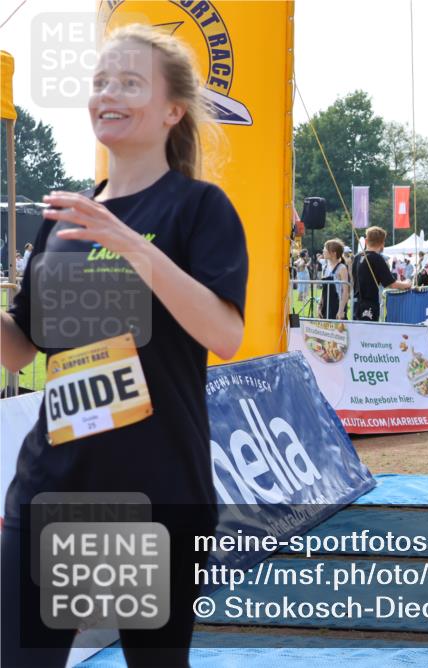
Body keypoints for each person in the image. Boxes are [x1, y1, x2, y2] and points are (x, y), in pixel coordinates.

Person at [1, 24, 248, 667]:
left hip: (154, 497)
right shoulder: (64, 217)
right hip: (50, 490)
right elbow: (20, 351)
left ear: (173, 110)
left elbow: (224, 334)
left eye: (130, 82)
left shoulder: (199, 208)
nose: (108, 94)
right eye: (100, 82)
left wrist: (129, 243)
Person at [352, 226, 410, 321]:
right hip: (369, 304)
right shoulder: (377, 258)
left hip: (356, 303)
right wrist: (407, 284)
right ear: (383, 243)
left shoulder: (357, 257)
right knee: (369, 333)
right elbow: (391, 284)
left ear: (366, 240)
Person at [320, 238, 349, 319]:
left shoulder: (342, 268)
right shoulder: (325, 267)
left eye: (325, 249)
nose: (323, 251)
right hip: (325, 305)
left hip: (337, 306)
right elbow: (323, 290)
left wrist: (341, 310)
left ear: (333, 253)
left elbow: (345, 292)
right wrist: (319, 306)